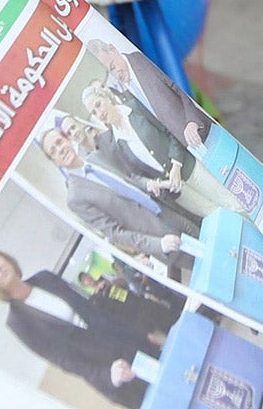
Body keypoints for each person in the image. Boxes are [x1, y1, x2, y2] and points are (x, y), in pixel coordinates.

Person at [0, 247, 169, 409]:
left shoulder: (45, 278)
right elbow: (63, 360)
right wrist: (107, 375)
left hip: (130, 343)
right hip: (113, 371)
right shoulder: (18, 321)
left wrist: (141, 333)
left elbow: (95, 311)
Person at [37, 127, 200, 277]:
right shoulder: (75, 198)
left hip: (168, 210)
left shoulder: (97, 158)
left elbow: (130, 179)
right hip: (160, 237)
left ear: (67, 139)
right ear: (54, 161)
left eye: (59, 142)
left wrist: (150, 184)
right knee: (209, 267)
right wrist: (158, 245)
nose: (60, 149)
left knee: (214, 241)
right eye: (53, 151)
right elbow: (115, 233)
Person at [82, 80, 233, 220]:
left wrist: (176, 164)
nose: (99, 112)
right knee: (217, 216)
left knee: (230, 202)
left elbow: (169, 130)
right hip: (177, 191)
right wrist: (150, 183)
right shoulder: (116, 143)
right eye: (94, 113)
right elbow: (135, 175)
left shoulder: (135, 106)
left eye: (98, 105)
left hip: (189, 168)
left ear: (107, 98)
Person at [95, 40, 211, 153]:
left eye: (113, 66)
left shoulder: (143, 56)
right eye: (110, 73)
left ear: (113, 49)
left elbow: (178, 87)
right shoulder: (122, 94)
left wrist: (192, 121)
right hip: (181, 155)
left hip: (201, 136)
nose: (116, 74)